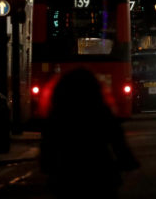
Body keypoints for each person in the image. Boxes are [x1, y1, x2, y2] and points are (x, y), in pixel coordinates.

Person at [40, 68, 139, 198]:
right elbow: (118, 141)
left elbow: (47, 148)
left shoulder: (56, 116)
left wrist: (49, 166)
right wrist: (127, 161)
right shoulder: (102, 112)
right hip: (100, 173)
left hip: (66, 176)